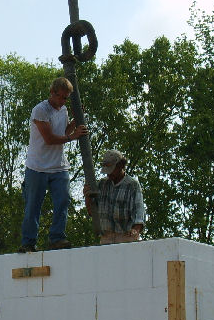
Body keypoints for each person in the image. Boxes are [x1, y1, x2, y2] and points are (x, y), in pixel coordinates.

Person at [20, 77, 88, 252]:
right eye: (61, 97)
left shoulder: (63, 110)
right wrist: (73, 136)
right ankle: (28, 242)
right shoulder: (40, 111)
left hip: (58, 166)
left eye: (66, 98)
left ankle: (57, 238)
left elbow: (63, 132)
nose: (63, 101)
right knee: (33, 205)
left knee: (63, 200)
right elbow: (50, 139)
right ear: (52, 93)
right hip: (37, 167)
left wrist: (74, 121)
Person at [83, 150, 145, 245]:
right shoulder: (102, 184)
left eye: (111, 170)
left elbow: (139, 213)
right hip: (106, 238)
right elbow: (92, 212)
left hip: (126, 237)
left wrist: (135, 231)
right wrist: (87, 196)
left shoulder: (132, 185)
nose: (109, 174)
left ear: (121, 166)